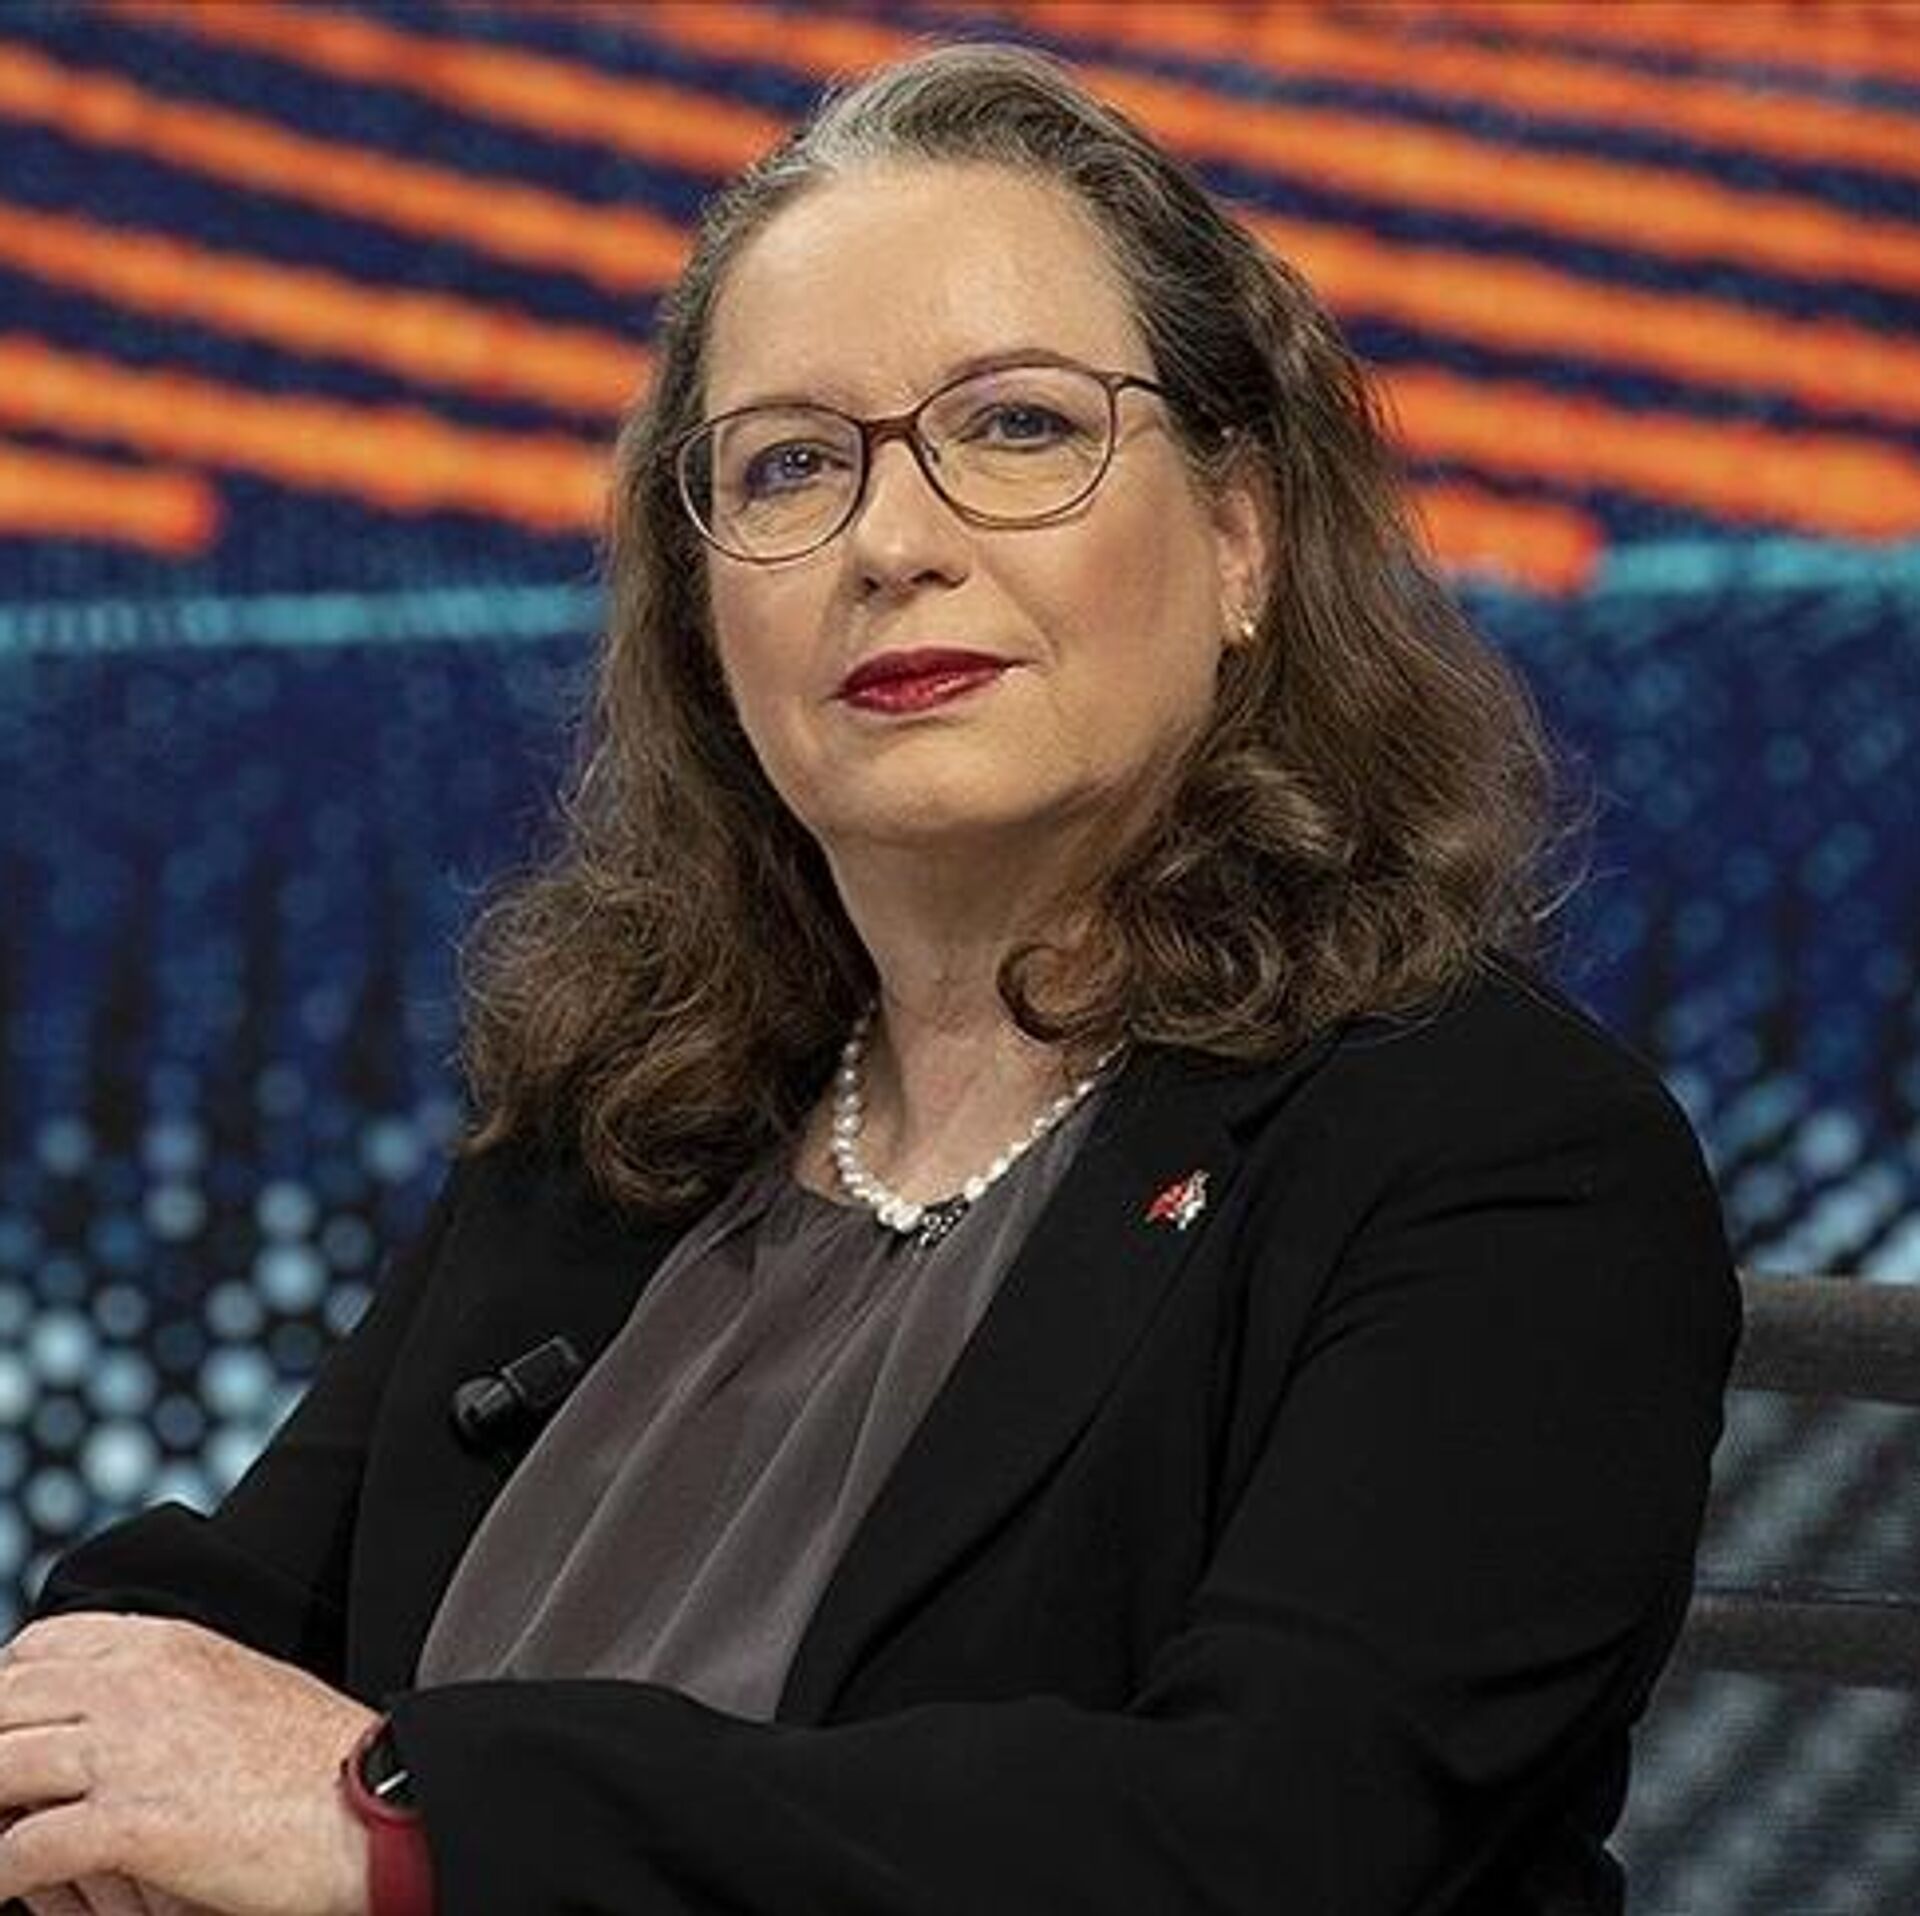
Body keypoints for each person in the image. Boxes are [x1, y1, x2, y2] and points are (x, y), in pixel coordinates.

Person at [0, 41, 1737, 1916]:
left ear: (1241, 536)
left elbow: (1259, 1842)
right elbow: (246, 1609)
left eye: (1017, 428)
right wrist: (98, 1729)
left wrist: (400, 1829)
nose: (893, 545)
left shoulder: (1502, 1158)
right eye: (792, 467)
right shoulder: (638, 1122)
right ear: (704, 617)